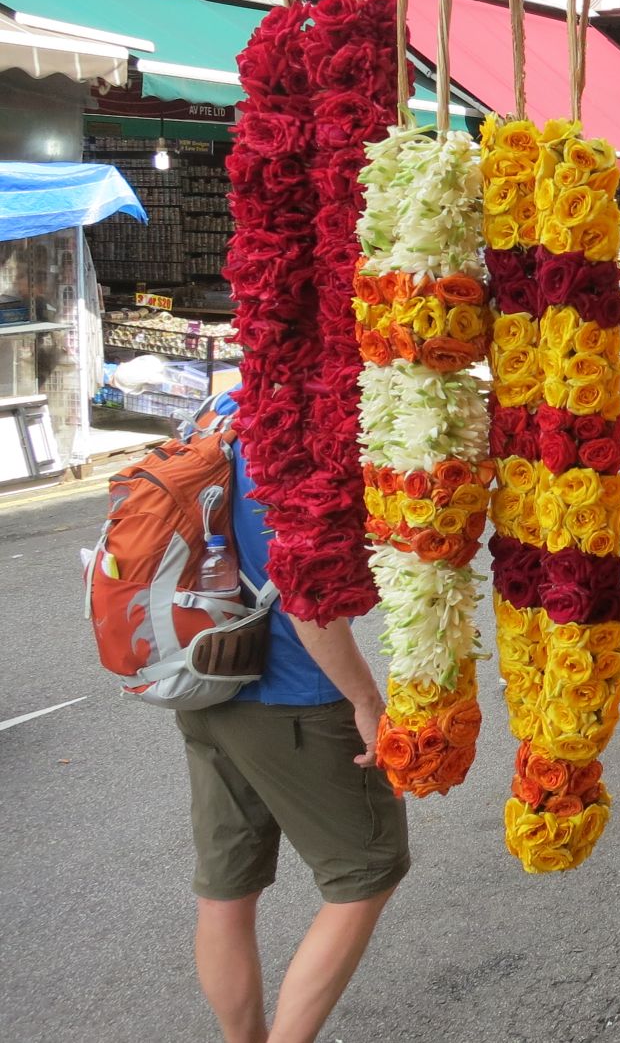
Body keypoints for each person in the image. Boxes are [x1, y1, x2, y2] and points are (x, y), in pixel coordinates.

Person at [176, 388, 409, 1043]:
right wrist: (365, 700)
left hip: (208, 676)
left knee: (226, 890)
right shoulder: (309, 424)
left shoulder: (225, 404)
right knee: (367, 872)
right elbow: (306, 599)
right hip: (294, 698)